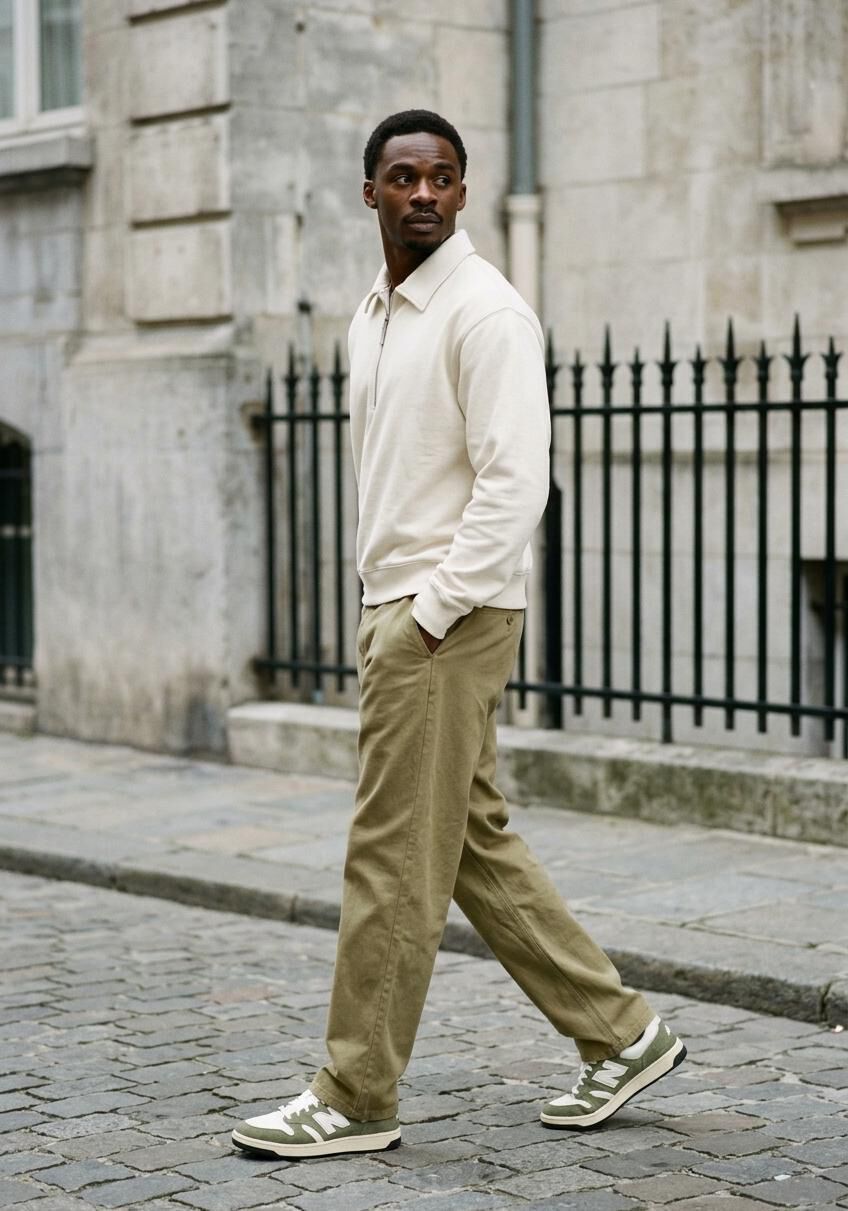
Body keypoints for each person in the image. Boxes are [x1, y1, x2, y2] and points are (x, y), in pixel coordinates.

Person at [232, 109, 685, 1160]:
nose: (424, 192)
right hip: (402, 611)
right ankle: (621, 1031)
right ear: (371, 193)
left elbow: (517, 483)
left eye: (442, 176)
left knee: (390, 857)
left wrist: (429, 614)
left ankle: (356, 1092)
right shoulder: (375, 313)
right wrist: (387, 607)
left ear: (464, 192)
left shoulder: (486, 312)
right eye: (404, 177)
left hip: (444, 620)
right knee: (469, 841)